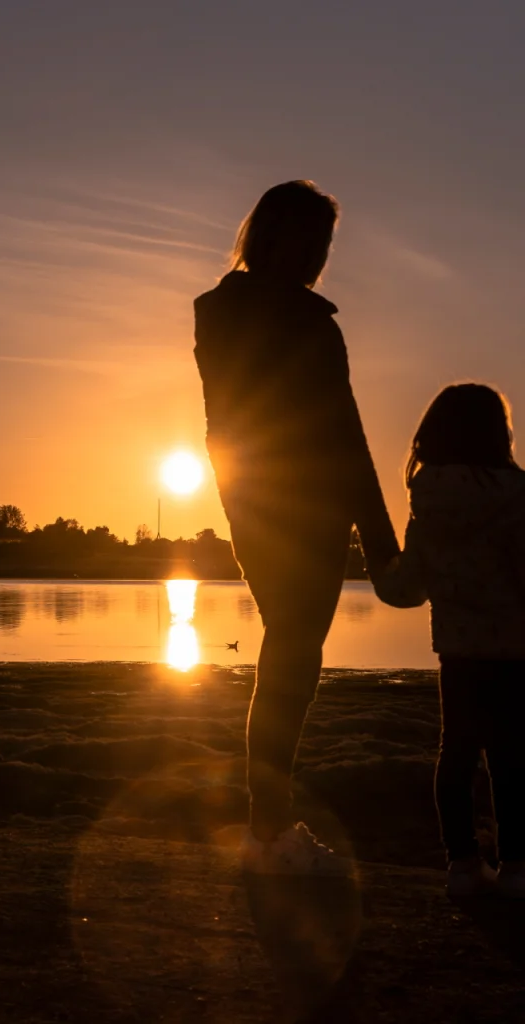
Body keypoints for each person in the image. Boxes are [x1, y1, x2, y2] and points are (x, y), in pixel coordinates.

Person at [193, 181, 398, 874]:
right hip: (282, 501)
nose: (319, 256)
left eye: (326, 244)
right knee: (291, 659)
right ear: (273, 235)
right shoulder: (266, 317)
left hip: (270, 499)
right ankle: (269, 830)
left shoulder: (248, 313)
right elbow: (337, 431)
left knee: (292, 657)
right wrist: (382, 543)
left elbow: (340, 431)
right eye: (311, 239)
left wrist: (375, 539)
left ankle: (267, 827)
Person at [374, 383, 525, 898]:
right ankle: (517, 868)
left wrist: (381, 569)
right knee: (512, 758)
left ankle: (461, 864)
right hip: (514, 650)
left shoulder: (430, 502)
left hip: (458, 652)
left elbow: (408, 590)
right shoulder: (518, 494)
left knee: (456, 754)